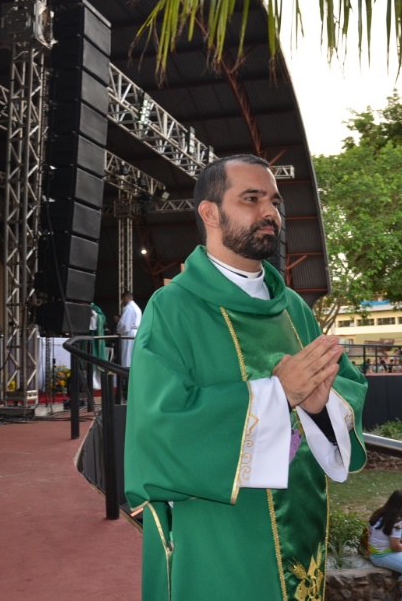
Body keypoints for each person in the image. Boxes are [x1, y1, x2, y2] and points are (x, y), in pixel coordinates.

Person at [123, 155, 367, 600]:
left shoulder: (292, 307)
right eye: (251, 199)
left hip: (302, 515)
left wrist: (320, 406)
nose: (270, 212)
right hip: (220, 529)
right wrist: (277, 394)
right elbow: (160, 424)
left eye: (273, 201)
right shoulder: (173, 307)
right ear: (210, 213)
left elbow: (346, 386)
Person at [367, 489, 402, 601]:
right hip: (383, 555)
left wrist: (400, 539)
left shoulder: (379, 513)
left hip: (376, 551)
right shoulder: (396, 520)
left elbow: (382, 534)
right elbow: (396, 547)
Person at [115, 291, 141, 367]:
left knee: (127, 357)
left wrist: (118, 324)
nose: (122, 302)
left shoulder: (129, 308)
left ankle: (126, 376)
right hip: (136, 333)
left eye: (122, 299)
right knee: (133, 357)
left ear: (126, 298)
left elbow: (124, 325)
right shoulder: (137, 307)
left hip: (129, 334)